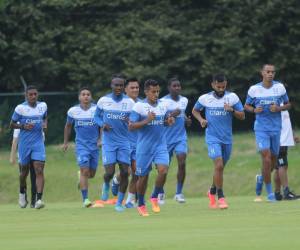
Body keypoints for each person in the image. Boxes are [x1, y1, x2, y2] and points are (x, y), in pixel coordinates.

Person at [192, 74, 245, 209]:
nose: (221, 89)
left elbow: (242, 116)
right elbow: (195, 111)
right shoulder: (205, 98)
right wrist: (201, 120)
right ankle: (221, 197)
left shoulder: (232, 97)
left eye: (223, 86)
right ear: (213, 85)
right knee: (219, 165)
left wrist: (231, 110)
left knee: (219, 169)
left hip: (227, 139)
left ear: (226, 84)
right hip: (212, 138)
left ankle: (212, 191)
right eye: (218, 86)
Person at [129, 79, 175, 217]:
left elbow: (164, 122)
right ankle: (141, 204)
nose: (156, 94)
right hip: (144, 148)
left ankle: (154, 196)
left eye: (158, 91)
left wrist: (168, 122)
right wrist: (146, 120)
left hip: (160, 145)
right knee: (142, 177)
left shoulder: (163, 105)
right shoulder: (139, 107)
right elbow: (131, 126)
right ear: (146, 92)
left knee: (163, 170)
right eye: (153, 92)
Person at [245, 64, 290, 202]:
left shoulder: (280, 87)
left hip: (276, 128)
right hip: (261, 129)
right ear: (262, 73)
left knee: (274, 160)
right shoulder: (254, 89)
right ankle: (270, 192)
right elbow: (246, 106)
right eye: (268, 71)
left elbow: (288, 104)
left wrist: (278, 108)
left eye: (273, 72)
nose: (270, 74)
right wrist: (254, 110)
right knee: (266, 157)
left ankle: (261, 178)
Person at [94, 74, 135, 212]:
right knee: (110, 172)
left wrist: (129, 120)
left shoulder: (130, 102)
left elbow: (134, 119)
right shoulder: (103, 100)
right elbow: (96, 116)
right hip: (108, 142)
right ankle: (106, 183)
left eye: (121, 85)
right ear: (111, 86)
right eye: (115, 85)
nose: (118, 87)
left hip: (124, 141)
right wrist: (102, 124)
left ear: (124, 87)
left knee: (125, 172)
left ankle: (119, 203)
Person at [62, 87, 101, 207]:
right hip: (81, 146)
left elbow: (102, 126)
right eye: (83, 94)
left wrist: (100, 139)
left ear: (91, 97)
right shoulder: (73, 111)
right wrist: (65, 142)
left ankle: (81, 177)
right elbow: (68, 126)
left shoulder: (97, 109)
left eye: (88, 94)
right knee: (85, 170)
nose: (86, 96)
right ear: (79, 97)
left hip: (94, 146)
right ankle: (86, 200)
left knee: (92, 174)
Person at [10, 85, 47, 209]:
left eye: (35, 94)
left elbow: (45, 117)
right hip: (25, 144)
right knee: (24, 173)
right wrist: (23, 126)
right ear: (26, 95)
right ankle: (22, 192)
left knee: (39, 170)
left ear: (37, 95)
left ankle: (39, 199)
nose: (33, 96)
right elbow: (12, 124)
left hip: (38, 143)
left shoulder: (43, 106)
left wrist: (45, 124)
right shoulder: (20, 108)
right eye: (30, 94)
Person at [158, 77, 191, 204]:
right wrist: (172, 115)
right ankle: (160, 192)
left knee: (182, 162)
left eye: (179, 86)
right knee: (163, 169)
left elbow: (183, 117)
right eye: (174, 86)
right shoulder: (162, 102)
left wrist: (188, 121)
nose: (177, 88)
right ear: (169, 88)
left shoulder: (184, 100)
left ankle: (179, 193)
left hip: (180, 138)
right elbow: (160, 121)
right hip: (165, 140)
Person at [255, 109, 299, 201]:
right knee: (282, 165)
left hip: (285, 141)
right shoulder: (274, 106)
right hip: (279, 140)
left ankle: (276, 192)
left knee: (277, 166)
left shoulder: (284, 105)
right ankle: (286, 192)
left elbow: (287, 124)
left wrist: (292, 135)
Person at [111, 77, 141, 208]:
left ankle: (130, 200)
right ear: (125, 89)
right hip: (124, 142)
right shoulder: (119, 103)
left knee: (137, 172)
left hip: (139, 143)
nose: (135, 90)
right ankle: (116, 179)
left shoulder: (142, 104)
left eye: (137, 87)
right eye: (132, 87)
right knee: (126, 172)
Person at [10, 128, 37, 208]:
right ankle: (23, 195)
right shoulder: (19, 124)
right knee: (23, 176)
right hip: (22, 154)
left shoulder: (37, 120)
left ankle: (33, 201)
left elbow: (41, 138)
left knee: (34, 177)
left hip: (34, 153)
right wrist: (12, 156)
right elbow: (15, 141)